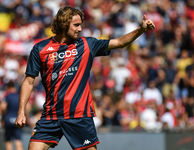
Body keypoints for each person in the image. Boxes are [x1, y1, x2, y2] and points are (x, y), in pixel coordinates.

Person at [14, 5, 155, 150]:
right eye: (76, 25)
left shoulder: (87, 44)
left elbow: (120, 42)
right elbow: (29, 81)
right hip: (51, 116)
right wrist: (21, 112)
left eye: (80, 25)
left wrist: (141, 30)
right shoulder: (40, 49)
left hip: (79, 116)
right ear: (63, 24)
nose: (80, 29)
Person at [0, 81, 23, 150]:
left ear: (8, 87)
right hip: (18, 120)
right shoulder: (19, 96)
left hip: (8, 120)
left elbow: (2, 107)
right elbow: (27, 107)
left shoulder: (8, 96)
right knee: (18, 140)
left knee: (8, 140)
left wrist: (4, 114)